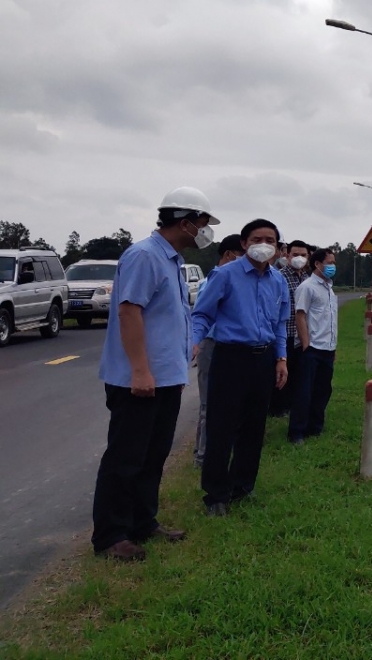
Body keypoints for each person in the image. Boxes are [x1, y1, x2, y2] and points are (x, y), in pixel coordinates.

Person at [92, 186, 220, 561]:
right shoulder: (145, 256)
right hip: (139, 380)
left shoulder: (173, 260)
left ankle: (142, 522)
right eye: (202, 223)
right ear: (185, 222)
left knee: (153, 455)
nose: (205, 230)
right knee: (125, 457)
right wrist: (140, 371)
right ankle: (111, 536)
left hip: (165, 378)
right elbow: (129, 312)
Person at [191, 219, 289, 517]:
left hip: (263, 357)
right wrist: (193, 343)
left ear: (276, 247)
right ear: (244, 244)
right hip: (230, 357)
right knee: (221, 427)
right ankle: (216, 495)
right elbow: (202, 314)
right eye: (257, 238)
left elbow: (280, 323)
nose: (264, 244)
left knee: (253, 427)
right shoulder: (225, 275)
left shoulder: (278, 281)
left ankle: (243, 486)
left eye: (270, 240)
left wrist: (281, 358)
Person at [192, 234, 244, 468]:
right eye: (242, 254)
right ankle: (202, 456)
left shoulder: (236, 280)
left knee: (225, 404)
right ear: (229, 255)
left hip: (229, 348)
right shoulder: (211, 281)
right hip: (212, 346)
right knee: (208, 405)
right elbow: (203, 317)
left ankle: (209, 450)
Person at [289, 247, 339, 444]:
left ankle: (315, 428)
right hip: (311, 349)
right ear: (317, 264)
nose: (333, 267)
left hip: (328, 348)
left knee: (323, 390)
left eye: (334, 263)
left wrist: (334, 346)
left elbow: (331, 319)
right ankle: (296, 432)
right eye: (329, 263)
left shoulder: (329, 288)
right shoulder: (307, 287)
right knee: (304, 391)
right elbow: (300, 315)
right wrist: (306, 344)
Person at [270, 240, 311, 417]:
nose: (299, 258)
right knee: (281, 373)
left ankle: (290, 406)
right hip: (283, 334)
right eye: (295, 254)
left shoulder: (307, 279)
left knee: (297, 373)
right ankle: (277, 409)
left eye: (303, 255)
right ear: (287, 256)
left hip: (300, 335)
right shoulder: (278, 277)